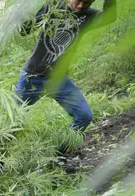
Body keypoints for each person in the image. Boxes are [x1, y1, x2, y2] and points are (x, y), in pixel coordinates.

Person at [15, 0, 116, 155]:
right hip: (33, 77)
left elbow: (110, 17)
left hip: (58, 80)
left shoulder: (88, 16)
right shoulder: (54, 6)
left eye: (87, 2)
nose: (81, 6)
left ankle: (56, 154)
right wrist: (17, 14)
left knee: (84, 115)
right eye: (79, 0)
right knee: (12, 121)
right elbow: (25, 30)